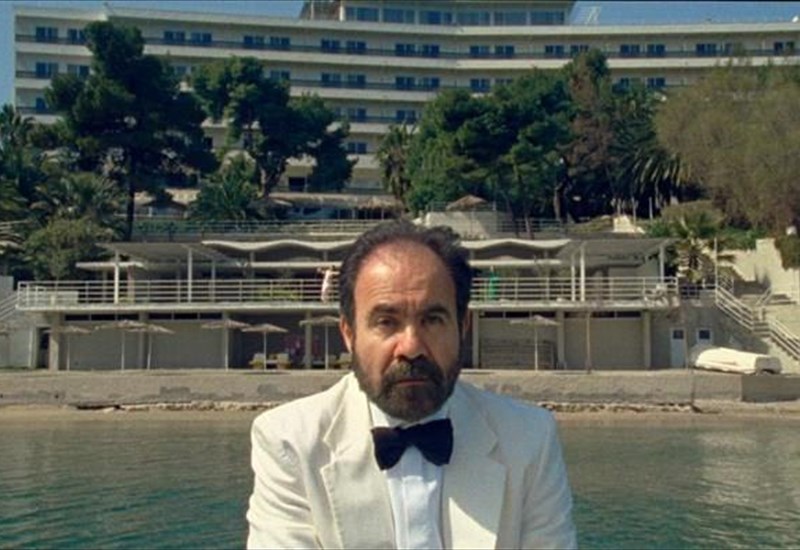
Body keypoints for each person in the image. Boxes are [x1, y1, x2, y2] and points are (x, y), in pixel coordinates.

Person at [246, 220, 576, 549]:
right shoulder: (290, 443)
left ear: (463, 326)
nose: (412, 346)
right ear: (349, 333)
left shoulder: (530, 439)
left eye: (432, 320)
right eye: (386, 322)